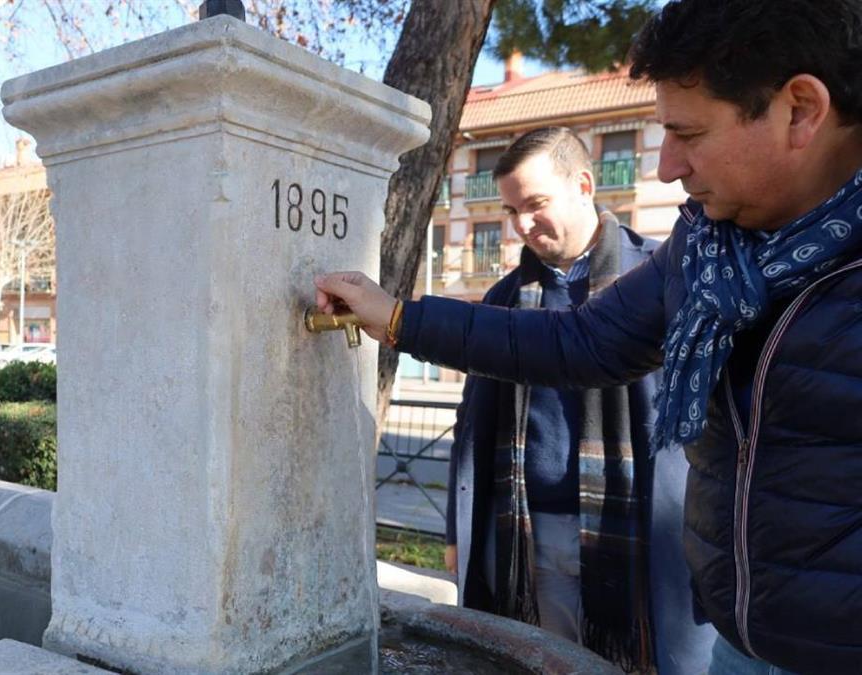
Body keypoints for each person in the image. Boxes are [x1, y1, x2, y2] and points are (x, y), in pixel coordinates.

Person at [316, 1, 862, 673]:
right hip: (740, 643)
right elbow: (581, 341)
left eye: (688, 134)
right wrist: (397, 316)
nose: (667, 167)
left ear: (802, 109)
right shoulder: (708, 245)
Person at [432, 126, 712, 674]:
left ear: (584, 183)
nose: (521, 225)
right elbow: (471, 426)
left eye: (534, 204)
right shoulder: (505, 296)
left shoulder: (658, 275)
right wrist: (455, 530)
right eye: (511, 211)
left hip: (644, 534)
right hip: (529, 530)